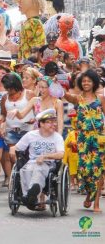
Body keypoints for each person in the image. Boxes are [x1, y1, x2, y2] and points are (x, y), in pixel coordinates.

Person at [63, 69, 105, 212]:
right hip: (83, 139)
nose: (86, 83)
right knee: (85, 171)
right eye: (84, 81)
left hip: (98, 139)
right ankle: (89, 195)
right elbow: (64, 95)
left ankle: (97, 203)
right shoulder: (77, 98)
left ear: (94, 83)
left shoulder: (101, 98)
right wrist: (54, 83)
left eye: (89, 81)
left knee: (98, 170)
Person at [12, 109, 64, 207]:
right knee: (25, 170)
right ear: (41, 124)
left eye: (54, 122)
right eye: (49, 122)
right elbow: (17, 147)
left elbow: (61, 154)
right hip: (31, 162)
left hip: (48, 164)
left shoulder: (57, 137)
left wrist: (45, 156)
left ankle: (31, 195)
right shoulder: (31, 135)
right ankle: (29, 196)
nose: (54, 124)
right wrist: (12, 150)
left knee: (39, 169)